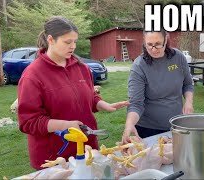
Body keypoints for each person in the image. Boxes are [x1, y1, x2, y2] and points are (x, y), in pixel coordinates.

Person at [17, 16, 128, 170]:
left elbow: (89, 96)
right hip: (55, 157)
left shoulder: (81, 68)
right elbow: (28, 122)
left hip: (86, 148)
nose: (73, 46)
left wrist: (104, 105)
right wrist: (65, 125)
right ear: (50, 40)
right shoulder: (33, 75)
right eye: (67, 42)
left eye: (75, 41)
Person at [121, 29, 194, 144]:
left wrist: (188, 102)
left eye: (158, 44)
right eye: (149, 45)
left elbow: (188, 84)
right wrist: (129, 125)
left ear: (166, 40)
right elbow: (136, 103)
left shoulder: (178, 57)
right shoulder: (139, 66)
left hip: (176, 124)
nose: (153, 49)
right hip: (148, 129)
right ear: (144, 43)